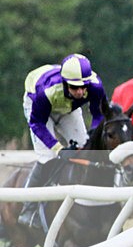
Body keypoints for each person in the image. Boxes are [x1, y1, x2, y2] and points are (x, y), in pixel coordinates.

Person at [18, 53, 108, 229]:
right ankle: (28, 209)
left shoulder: (96, 86)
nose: (81, 92)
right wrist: (59, 148)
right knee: (48, 157)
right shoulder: (46, 91)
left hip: (68, 108)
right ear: (65, 82)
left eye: (84, 87)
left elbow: (98, 115)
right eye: (75, 87)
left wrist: (92, 135)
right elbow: (37, 124)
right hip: (38, 107)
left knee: (86, 149)